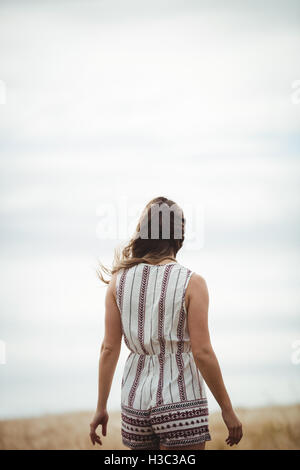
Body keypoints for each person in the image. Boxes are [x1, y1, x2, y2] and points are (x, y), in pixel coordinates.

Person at [89, 196, 242, 450]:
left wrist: (101, 407)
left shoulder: (118, 282)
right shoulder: (192, 282)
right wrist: (227, 410)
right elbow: (202, 352)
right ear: (179, 236)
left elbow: (109, 348)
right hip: (181, 402)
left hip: (135, 403)